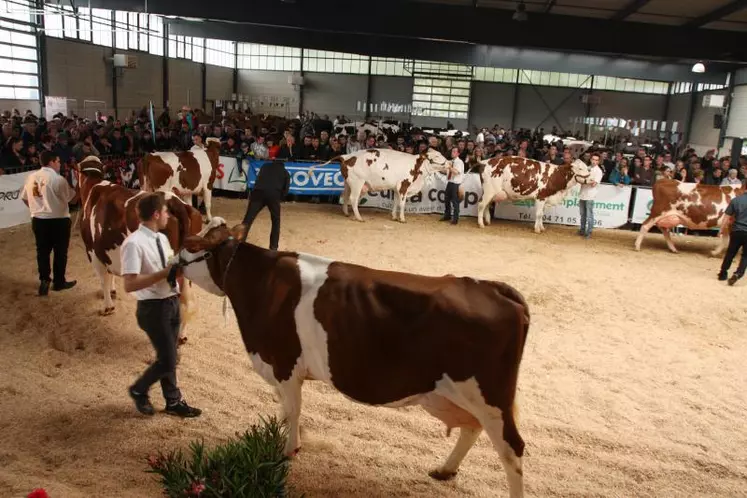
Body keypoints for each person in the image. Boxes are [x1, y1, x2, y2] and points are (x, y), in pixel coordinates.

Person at [121, 192, 201, 418]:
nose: (167, 215)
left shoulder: (163, 239)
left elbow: (169, 270)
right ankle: (139, 389)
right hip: (152, 308)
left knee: (169, 354)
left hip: (171, 302)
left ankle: (173, 401)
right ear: (156, 214)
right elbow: (129, 285)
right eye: (165, 211)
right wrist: (163, 274)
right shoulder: (133, 244)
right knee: (169, 358)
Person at [21, 150, 78, 296]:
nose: (60, 164)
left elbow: (25, 198)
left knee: (42, 252)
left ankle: (44, 281)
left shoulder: (31, 177)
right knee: (60, 252)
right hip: (58, 220)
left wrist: (37, 209)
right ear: (51, 162)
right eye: (58, 161)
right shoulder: (58, 179)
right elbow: (72, 200)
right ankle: (59, 282)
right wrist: (79, 188)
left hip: (39, 220)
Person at [242, 159, 290, 250]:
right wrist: (279, 197)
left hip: (258, 193)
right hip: (274, 195)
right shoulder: (285, 172)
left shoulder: (264, 167)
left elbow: (258, 179)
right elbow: (285, 191)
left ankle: (239, 242)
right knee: (276, 221)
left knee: (248, 219)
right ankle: (273, 247)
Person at [718, 190, 747, 286]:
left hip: (737, 231)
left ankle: (723, 273)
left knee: (730, 252)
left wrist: (721, 229)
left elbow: (726, 216)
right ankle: (738, 273)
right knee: (745, 256)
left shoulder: (736, 200)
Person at [578, 152, 603, 239]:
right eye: (593, 159)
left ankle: (589, 232)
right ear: (590, 159)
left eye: (596, 160)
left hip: (590, 195)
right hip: (582, 193)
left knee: (589, 215)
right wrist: (587, 180)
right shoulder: (587, 168)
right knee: (582, 214)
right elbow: (580, 179)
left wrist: (585, 181)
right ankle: (582, 230)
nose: (594, 161)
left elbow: (594, 184)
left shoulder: (599, 171)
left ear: (598, 161)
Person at [441, 146, 464, 225]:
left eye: (454, 151)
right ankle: (447, 215)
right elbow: (447, 171)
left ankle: (455, 219)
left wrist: (449, 167)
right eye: (452, 151)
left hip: (456, 184)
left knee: (455, 202)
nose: (452, 153)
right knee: (446, 200)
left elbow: (456, 172)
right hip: (450, 182)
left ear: (458, 153)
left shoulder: (459, 162)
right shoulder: (451, 161)